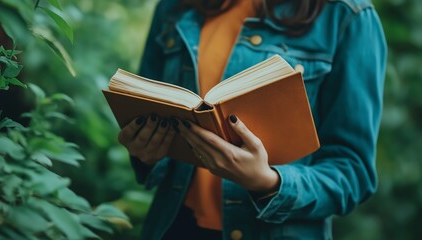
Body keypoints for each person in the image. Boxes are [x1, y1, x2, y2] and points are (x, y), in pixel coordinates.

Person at [117, 0, 387, 239]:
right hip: (174, 226)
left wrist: (268, 182)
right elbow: (151, 111)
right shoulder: (177, 6)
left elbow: (353, 172)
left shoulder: (348, 15)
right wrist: (147, 152)